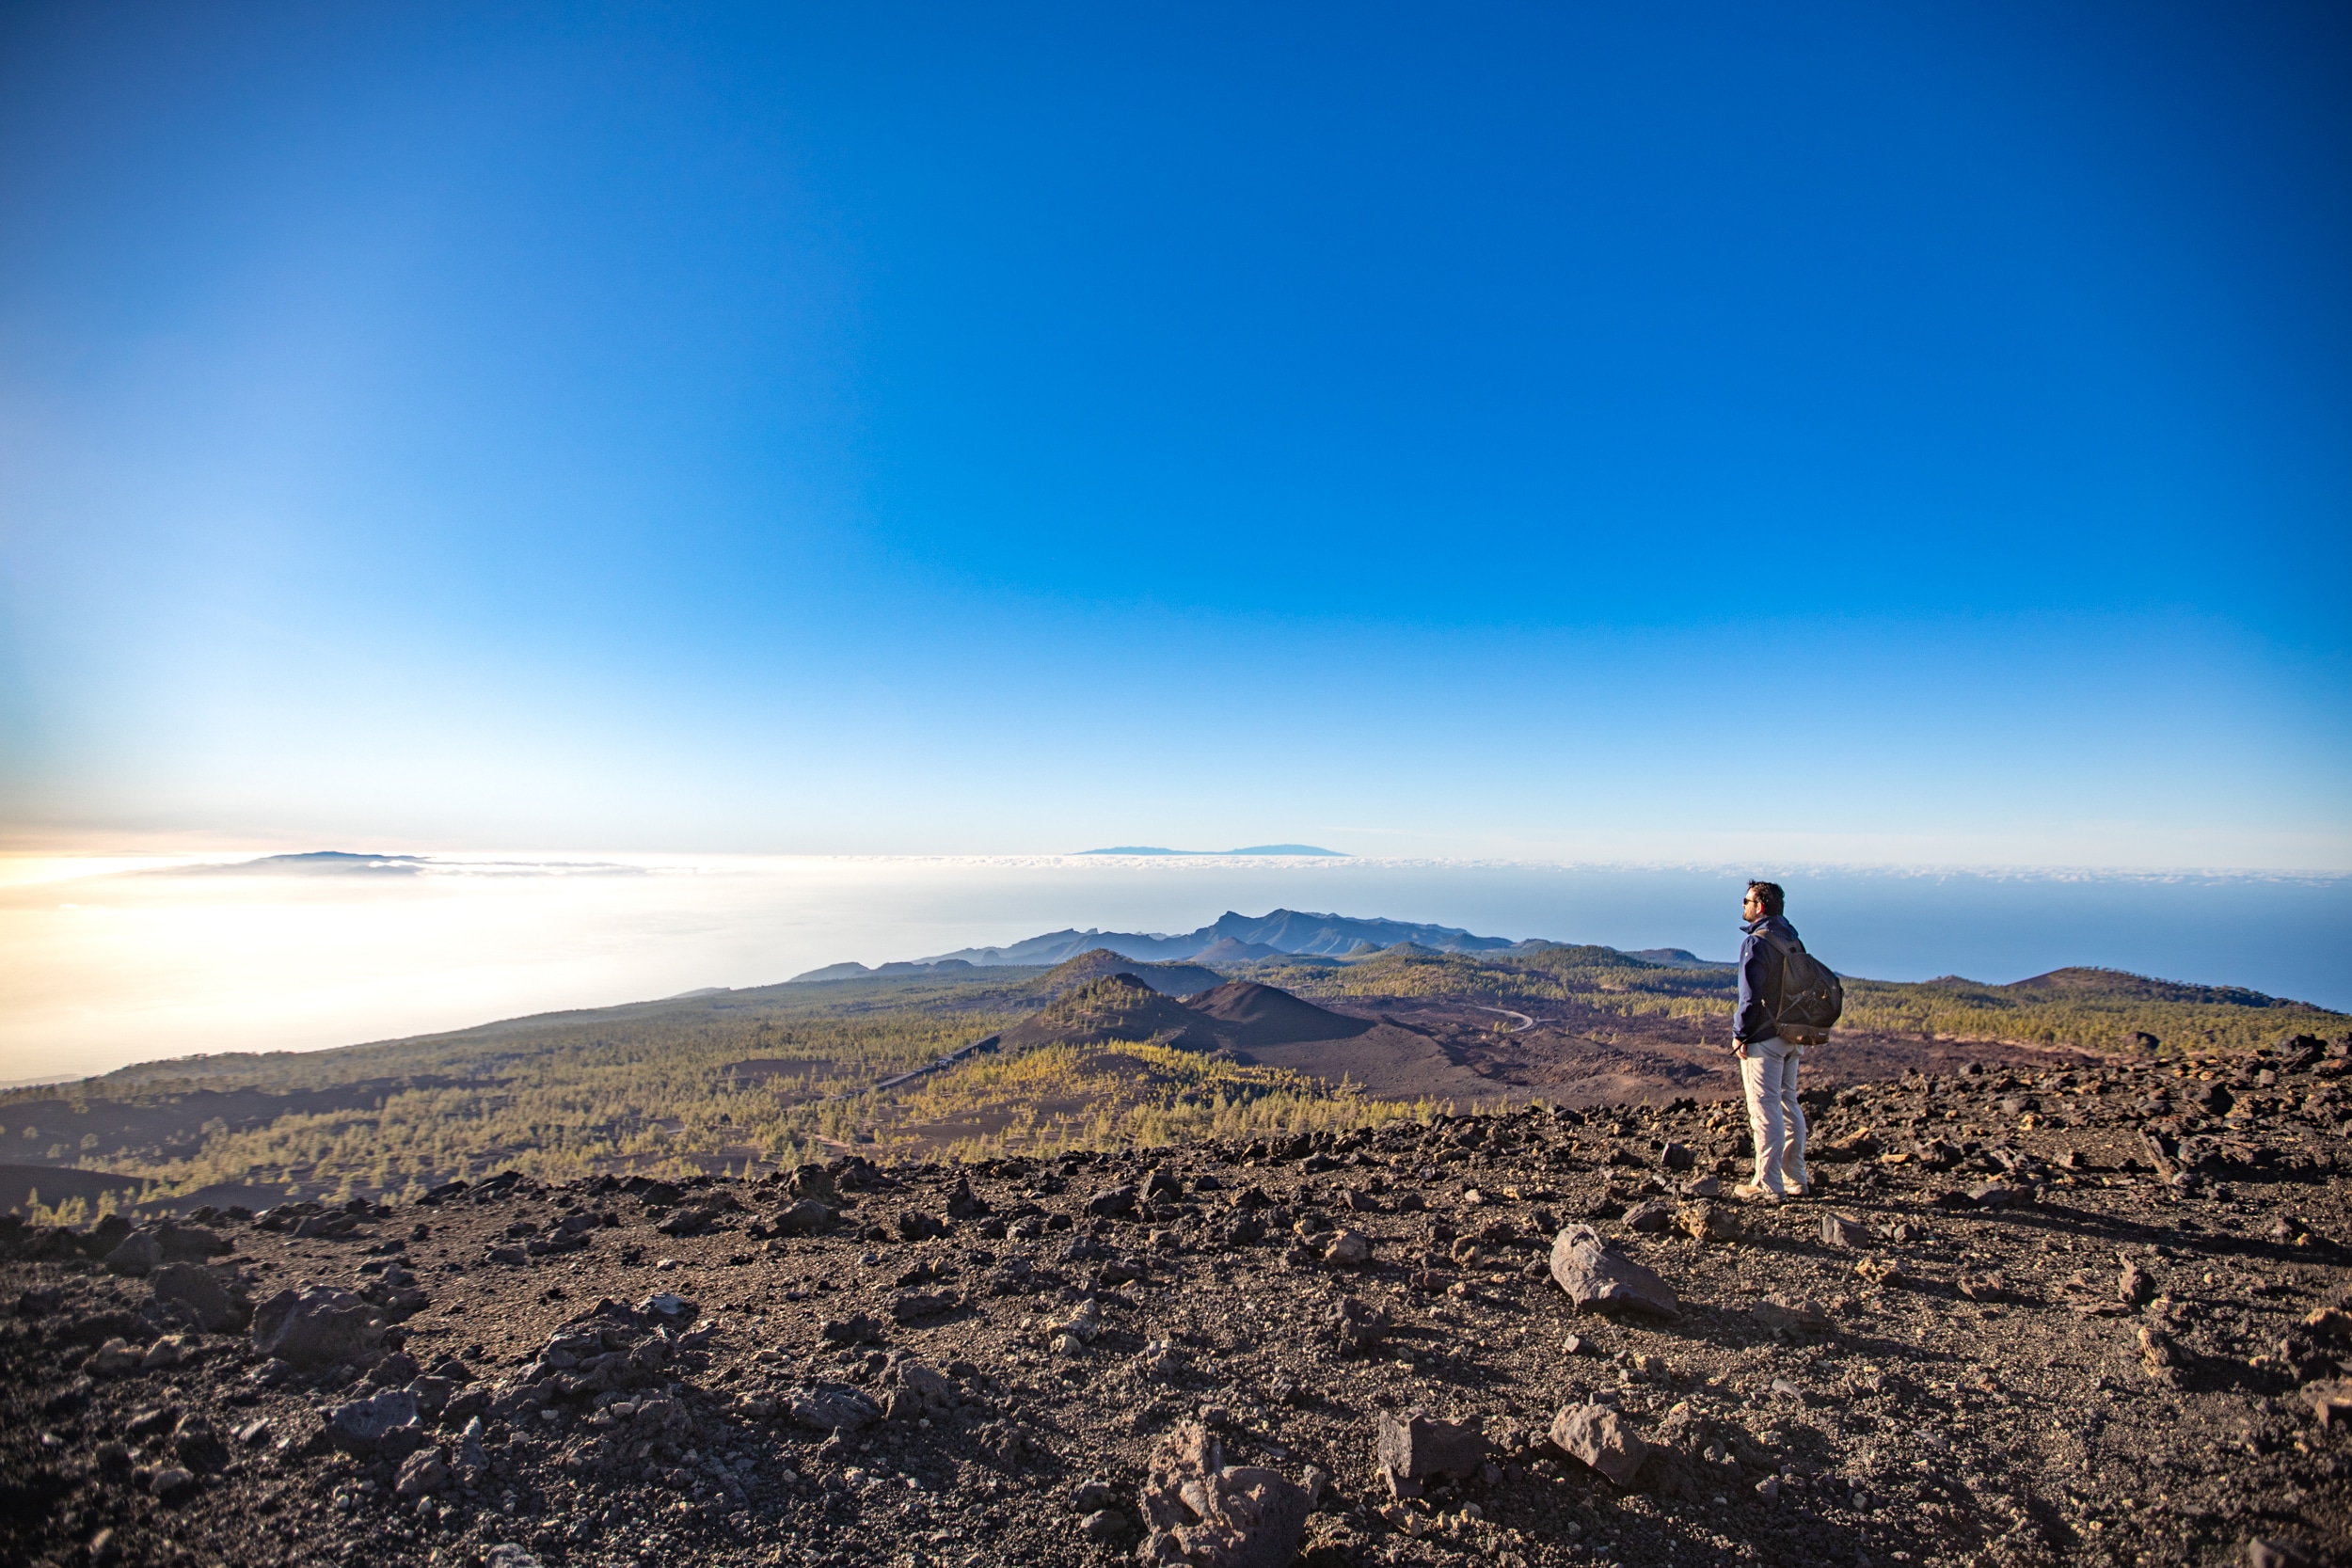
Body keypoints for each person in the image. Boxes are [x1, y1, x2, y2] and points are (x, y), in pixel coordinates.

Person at [1732, 879, 1809, 1201]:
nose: (1743, 906)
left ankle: (1768, 1184)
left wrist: (1740, 1034)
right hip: (1792, 1034)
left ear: (1760, 907)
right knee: (1788, 1103)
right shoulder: (1790, 936)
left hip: (1765, 1038)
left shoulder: (1758, 942)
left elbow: (1750, 997)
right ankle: (1796, 1178)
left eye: (1747, 901)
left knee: (1764, 1110)